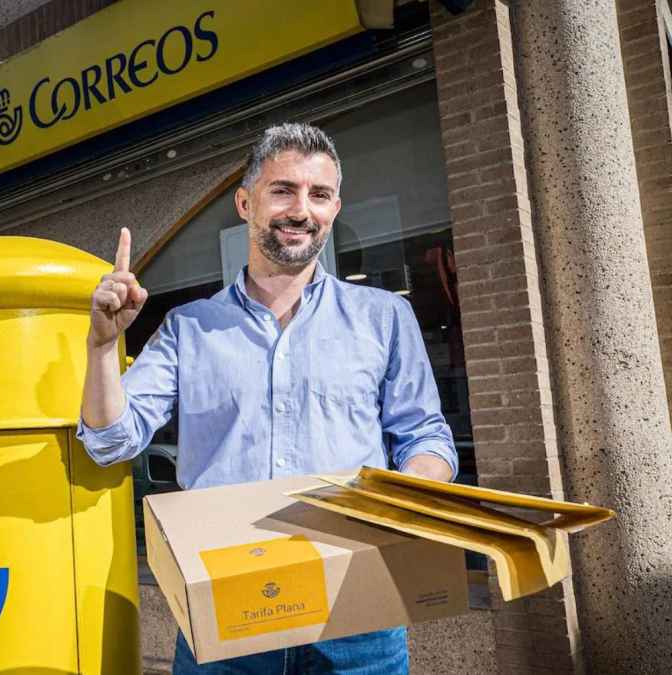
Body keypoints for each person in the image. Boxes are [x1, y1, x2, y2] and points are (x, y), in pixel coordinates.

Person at [78, 123, 457, 674]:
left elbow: (426, 438)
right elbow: (110, 442)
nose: (301, 210)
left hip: (358, 616)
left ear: (334, 209)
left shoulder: (384, 317)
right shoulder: (189, 328)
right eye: (283, 190)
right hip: (224, 612)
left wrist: (402, 499)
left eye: (319, 194)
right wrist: (102, 347)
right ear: (245, 203)